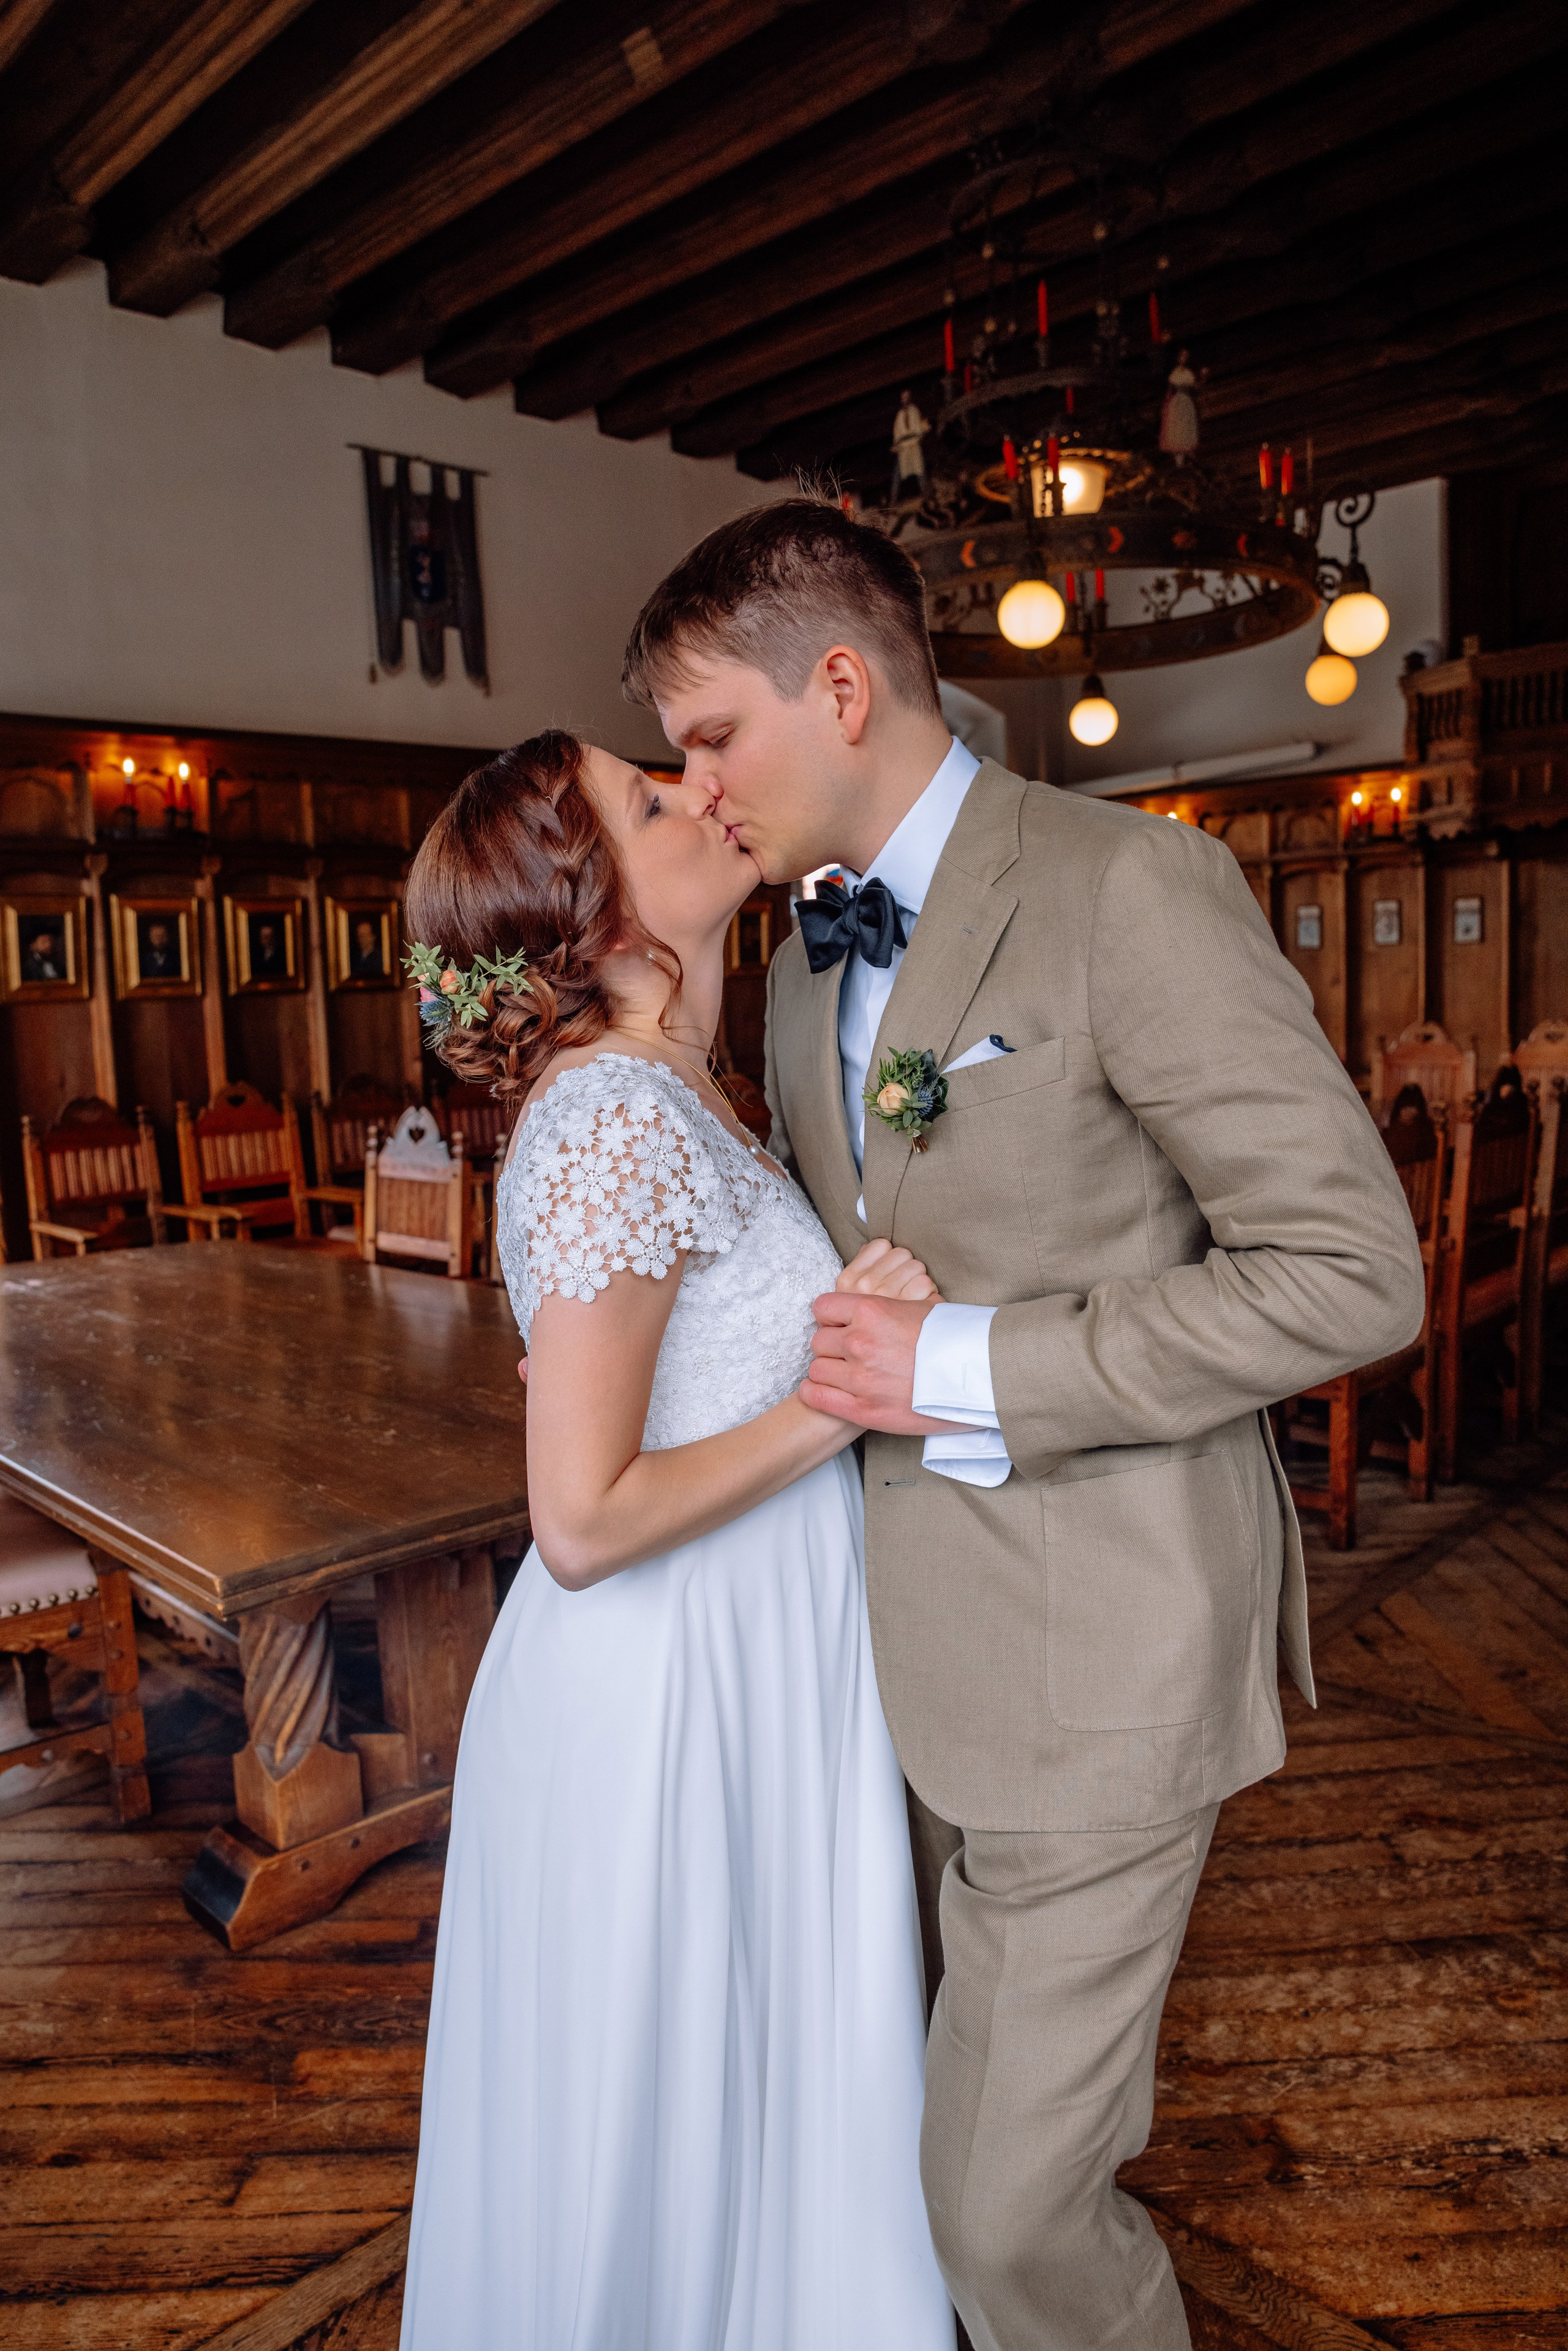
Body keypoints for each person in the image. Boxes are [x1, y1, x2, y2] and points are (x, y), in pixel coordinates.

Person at [620, 497, 1427, 2351]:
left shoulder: (1127, 888)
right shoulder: (810, 952)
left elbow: (1349, 1273)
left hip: (1111, 1646)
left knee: (1003, 2221)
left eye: (710, 734)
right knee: (914, 2167)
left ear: (841, 684)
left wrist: (970, 1369)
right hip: (883, 1668)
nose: (697, 781)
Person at [398, 730, 955, 2350]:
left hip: (748, 1650)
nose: (696, 791)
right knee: (674, 2111)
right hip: (665, 1689)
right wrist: (846, 1395)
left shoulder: (676, 1094)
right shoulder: (617, 1123)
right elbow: (576, 1521)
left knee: (758, 2088)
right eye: (649, 800)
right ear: (596, 910)